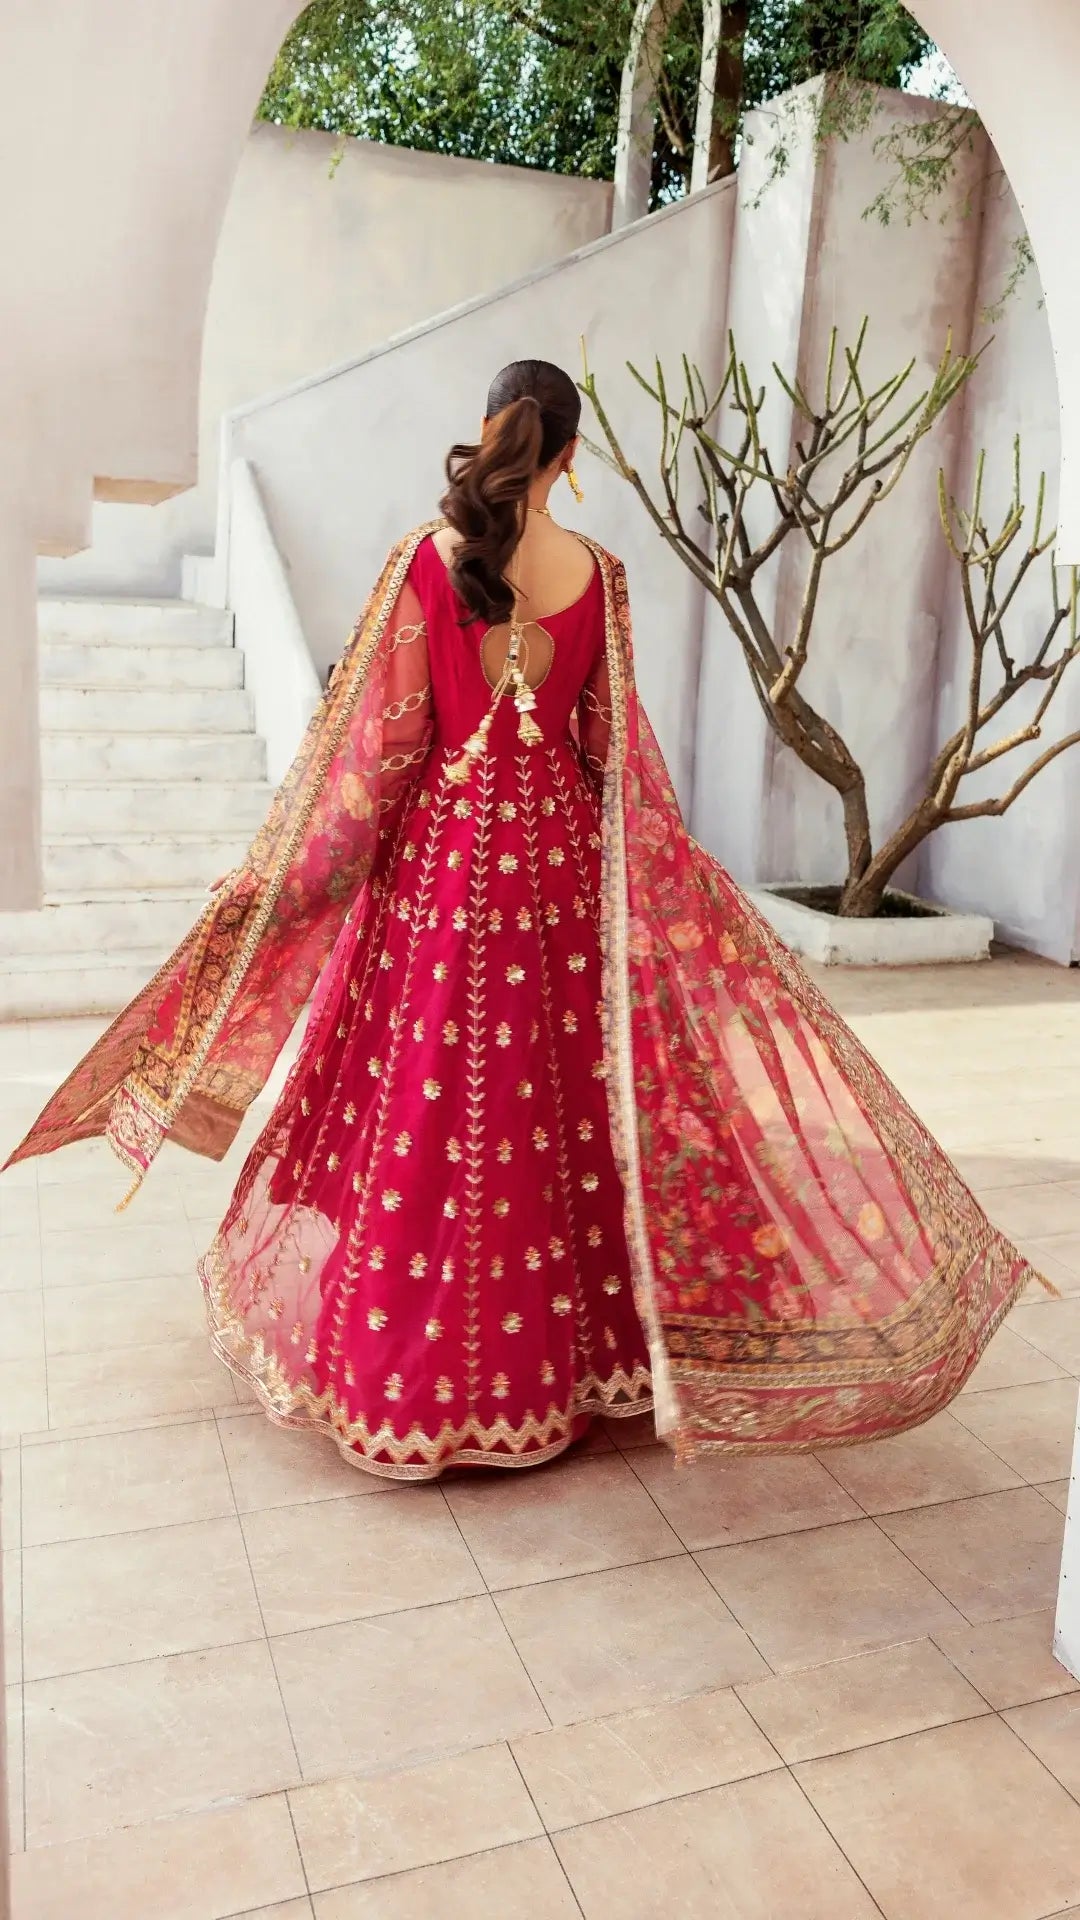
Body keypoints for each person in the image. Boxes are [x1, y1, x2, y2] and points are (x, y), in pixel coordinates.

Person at [4, 358, 1039, 1480]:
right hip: (556, 881)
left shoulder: (426, 558)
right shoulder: (601, 573)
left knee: (426, 1113)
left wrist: (288, 877)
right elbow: (612, 756)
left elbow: (382, 750)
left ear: (488, 432)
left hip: (437, 886)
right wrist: (658, 882)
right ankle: (553, 1375)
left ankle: (408, 1388)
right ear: (571, 457)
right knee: (553, 1110)